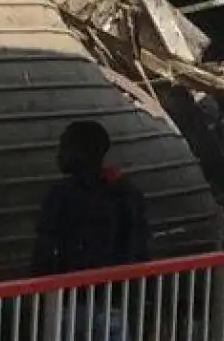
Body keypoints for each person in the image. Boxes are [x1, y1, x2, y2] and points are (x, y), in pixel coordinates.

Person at [31, 121, 148, 340]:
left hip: (72, 303)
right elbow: (140, 248)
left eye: (63, 147)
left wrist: (37, 293)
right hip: (114, 304)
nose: (59, 155)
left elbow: (44, 251)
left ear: (78, 153)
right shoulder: (126, 192)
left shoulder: (61, 195)